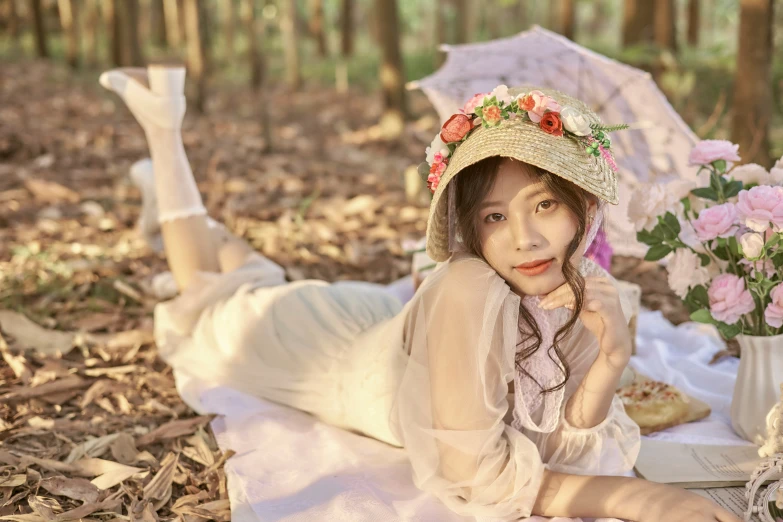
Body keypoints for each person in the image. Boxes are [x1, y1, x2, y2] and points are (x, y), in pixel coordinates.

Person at [99, 68, 742, 522]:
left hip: (380, 320)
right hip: (322, 353)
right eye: (493, 217)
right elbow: (476, 476)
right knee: (210, 298)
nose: (524, 238)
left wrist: (607, 362)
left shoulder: (584, 287)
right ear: (471, 230)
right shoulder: (466, 280)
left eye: (544, 203)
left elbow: (560, 441)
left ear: (583, 208)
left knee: (259, 278)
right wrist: (637, 499)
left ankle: (181, 211)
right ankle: (164, 131)